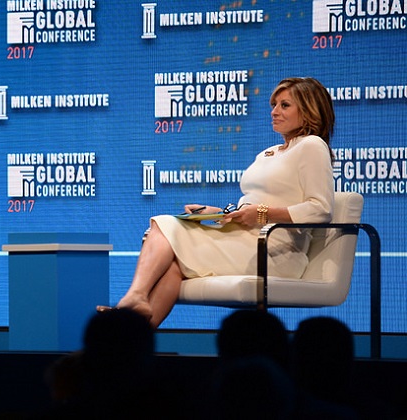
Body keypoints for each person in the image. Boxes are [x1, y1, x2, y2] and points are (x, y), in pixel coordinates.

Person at [98, 77, 335, 327]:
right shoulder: (270, 153)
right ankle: (133, 335)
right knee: (173, 264)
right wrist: (220, 213)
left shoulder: (312, 146)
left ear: (308, 111)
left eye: (284, 105)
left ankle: (135, 297)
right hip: (246, 238)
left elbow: (320, 210)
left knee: (164, 225)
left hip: (276, 250)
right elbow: (255, 205)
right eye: (274, 105)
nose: (274, 112)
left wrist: (262, 213)